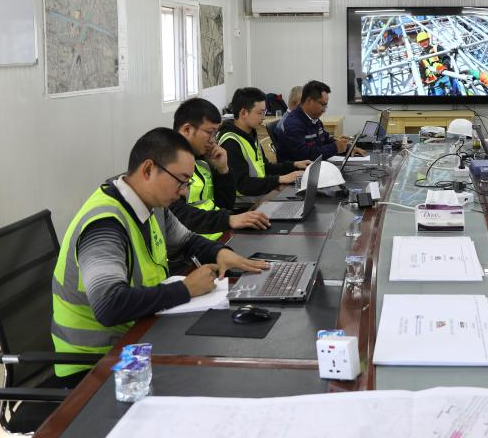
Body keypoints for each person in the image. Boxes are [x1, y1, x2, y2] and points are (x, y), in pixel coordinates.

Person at [51, 128, 269, 384]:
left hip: (138, 338)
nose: (184, 192)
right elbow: (108, 305)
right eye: (181, 181)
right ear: (148, 170)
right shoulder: (105, 225)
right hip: (96, 365)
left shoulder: (150, 204)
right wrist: (186, 289)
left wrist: (220, 252)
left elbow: (187, 240)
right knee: (212, 378)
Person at [171, 97, 273, 237]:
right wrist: (228, 219)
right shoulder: (168, 166)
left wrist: (223, 170)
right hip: (197, 244)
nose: (213, 140)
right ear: (187, 129)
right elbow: (178, 216)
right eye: (209, 133)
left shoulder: (203, 160)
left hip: (220, 235)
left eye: (215, 133)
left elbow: (224, 206)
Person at [219, 87, 311, 197]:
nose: (263, 117)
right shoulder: (230, 143)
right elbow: (243, 185)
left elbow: (266, 167)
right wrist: (281, 179)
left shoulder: (250, 134)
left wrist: (294, 165)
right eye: (260, 113)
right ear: (243, 113)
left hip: (259, 194)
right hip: (246, 203)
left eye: (264, 112)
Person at [276, 80, 365, 161]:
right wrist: (335, 148)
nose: (324, 110)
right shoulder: (293, 124)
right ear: (309, 101)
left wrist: (346, 147)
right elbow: (303, 155)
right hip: (297, 171)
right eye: (322, 105)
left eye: (326, 106)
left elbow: (325, 139)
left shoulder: (314, 119)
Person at [415, 31, 459, 96]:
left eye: (425, 40)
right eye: (421, 41)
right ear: (419, 43)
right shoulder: (421, 57)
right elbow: (422, 71)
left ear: (428, 39)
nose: (424, 42)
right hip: (434, 82)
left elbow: (445, 57)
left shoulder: (436, 48)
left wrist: (444, 66)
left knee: (456, 92)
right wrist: (422, 79)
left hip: (445, 75)